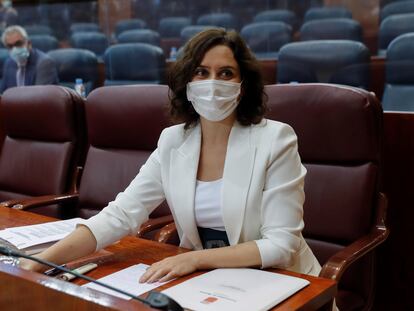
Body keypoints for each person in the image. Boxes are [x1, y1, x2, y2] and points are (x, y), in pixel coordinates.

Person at [20, 28, 321, 282]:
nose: (212, 82)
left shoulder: (276, 138)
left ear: (242, 87)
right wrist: (42, 261)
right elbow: (122, 214)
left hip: (280, 279)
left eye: (225, 73)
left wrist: (197, 260)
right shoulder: (174, 140)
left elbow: (281, 246)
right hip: (209, 281)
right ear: (186, 84)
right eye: (201, 72)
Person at [0, 25, 58, 93]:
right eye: (10, 46)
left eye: (18, 44)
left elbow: (40, 98)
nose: (14, 49)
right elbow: (3, 93)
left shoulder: (44, 63)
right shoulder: (9, 63)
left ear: (29, 43)